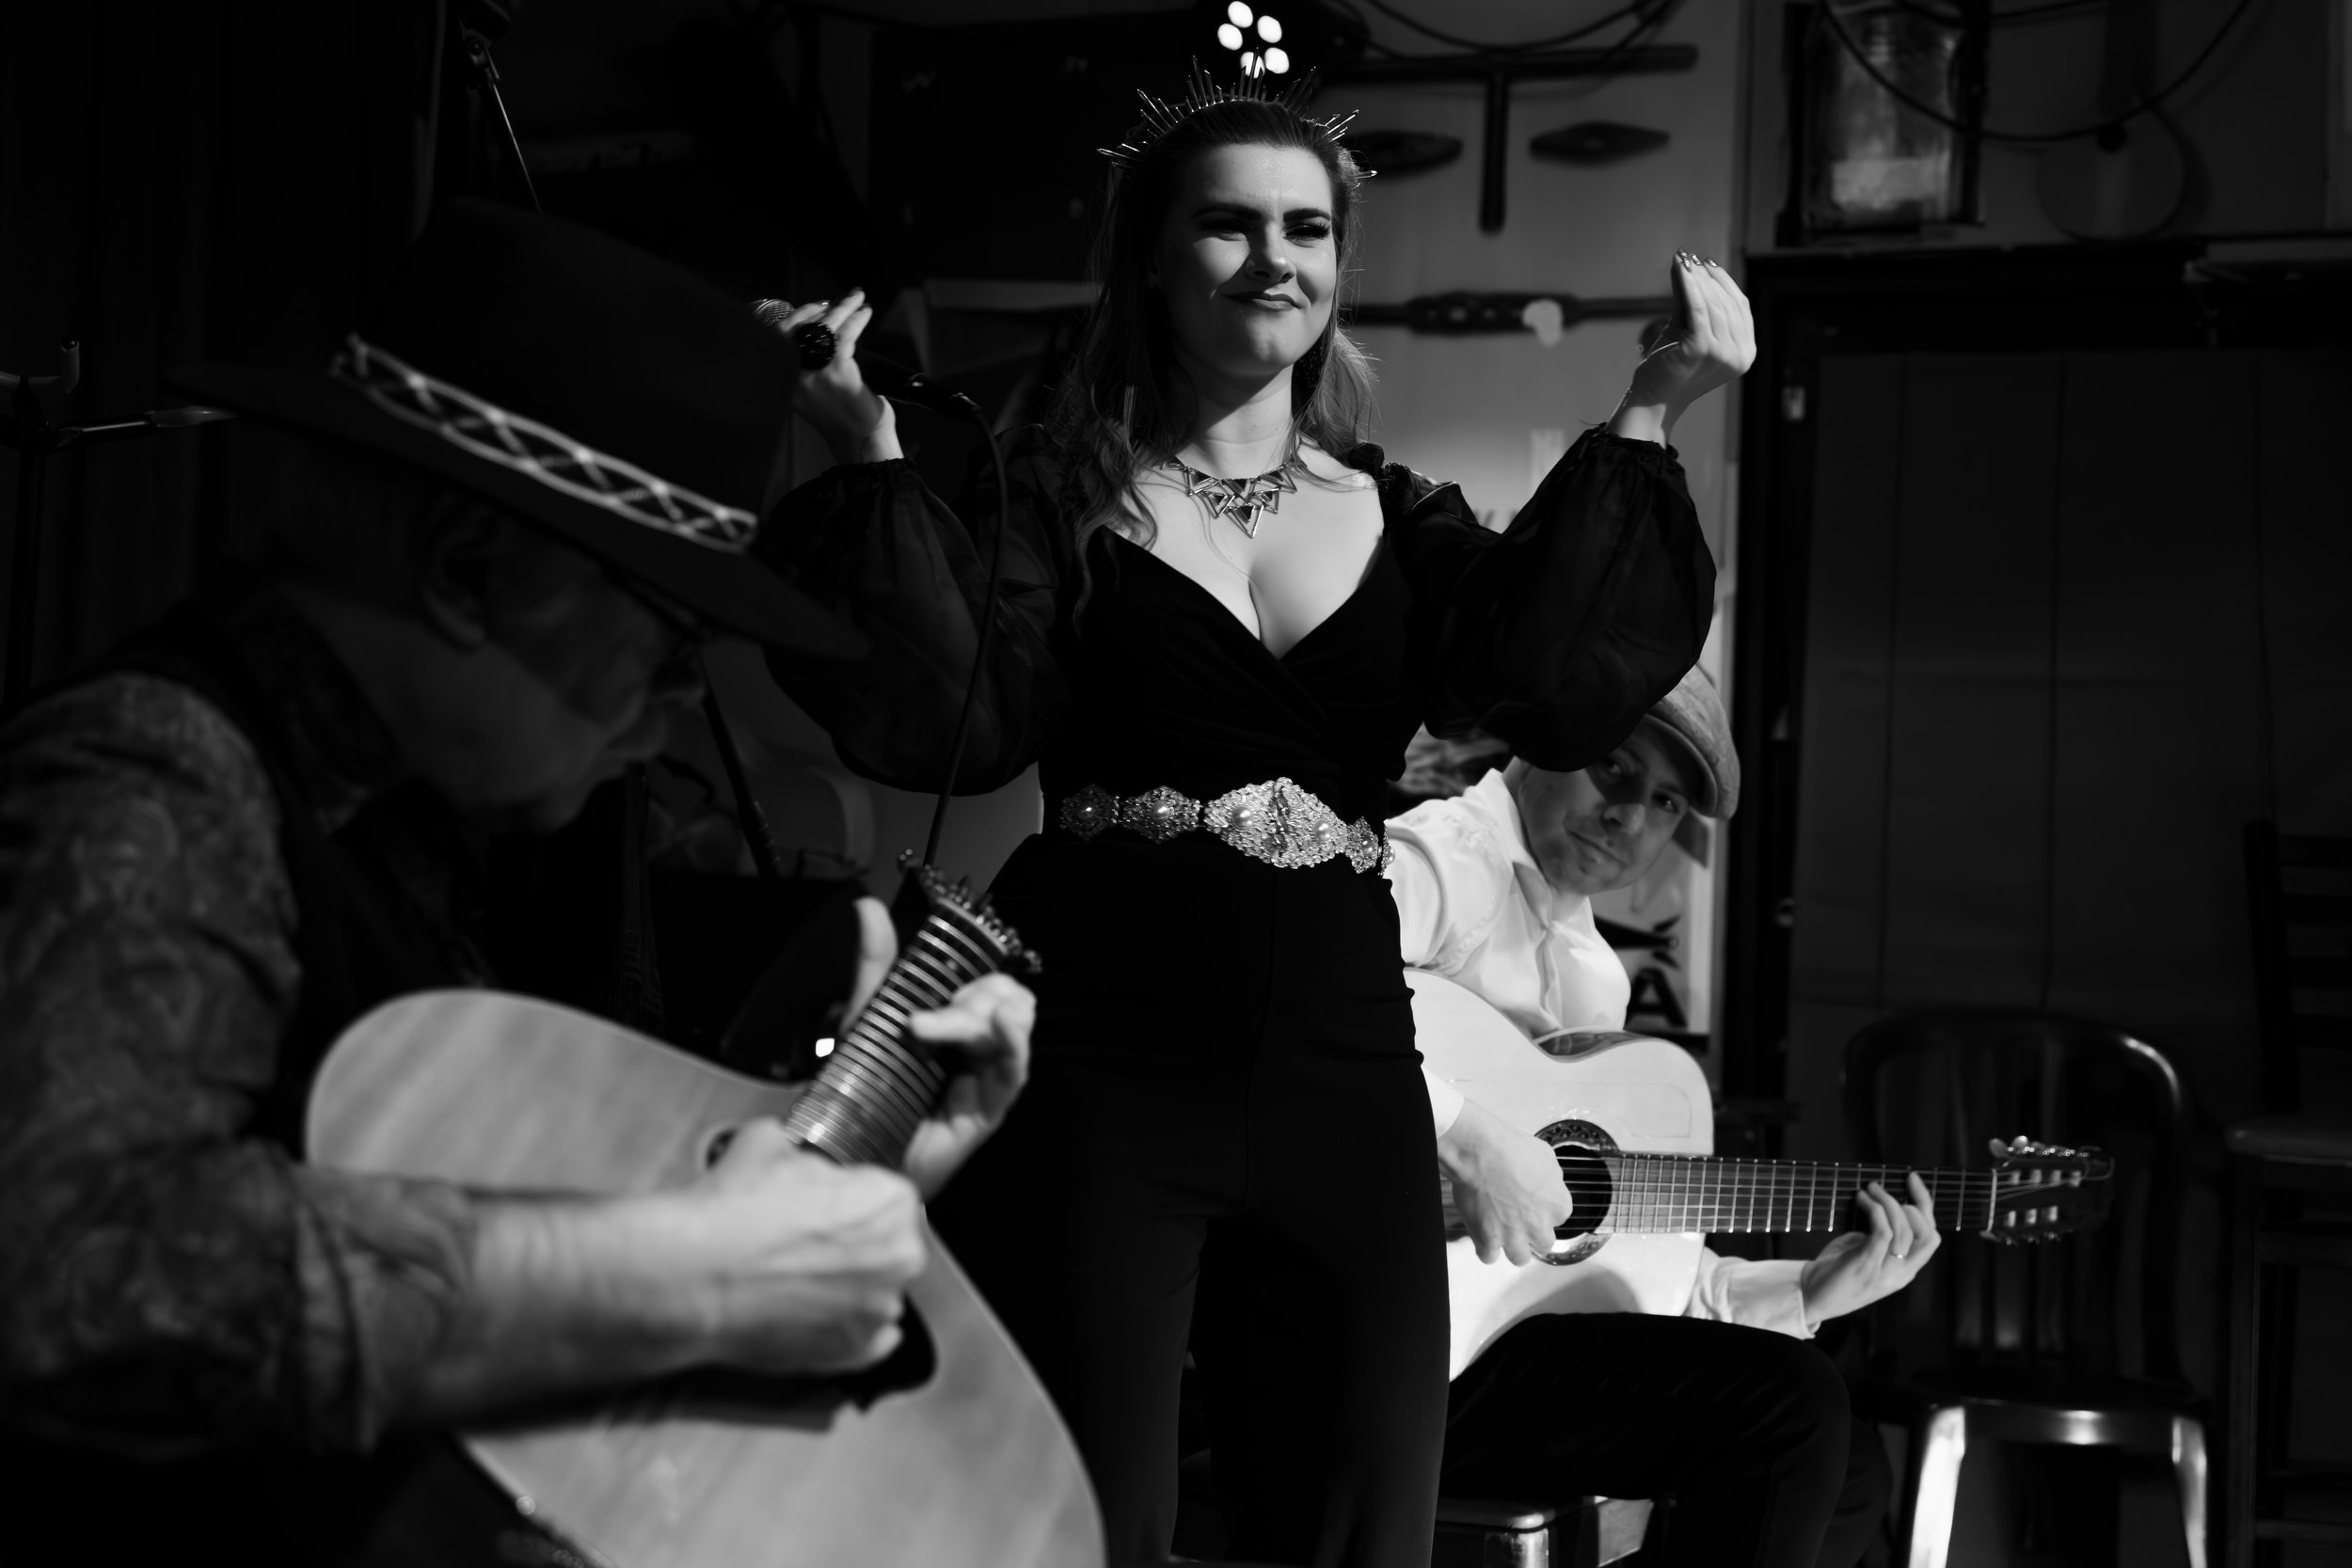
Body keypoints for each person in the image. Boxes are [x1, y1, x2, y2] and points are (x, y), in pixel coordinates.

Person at [752, 70, 1751, 1567]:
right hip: (1102, 1052)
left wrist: (1652, 409)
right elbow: (954, 710)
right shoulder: (1062, 498)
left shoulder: (1406, 517)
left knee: (1360, 1520)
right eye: (1229, 225)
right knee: (1085, 1520)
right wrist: (869, 456)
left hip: (1344, 1065)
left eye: (1306, 229)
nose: (1274, 257)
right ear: (1152, 263)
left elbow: (1550, 678)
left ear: (1339, 267)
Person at [0, 199, 1035, 1566]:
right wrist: (699, 1270)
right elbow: (84, 1273)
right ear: (466, 573)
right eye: (667, 643)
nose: (677, 708)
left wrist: (838, 1172)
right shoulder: (156, 778)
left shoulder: (412, 813)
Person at [1388, 665, 1939, 1566]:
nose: (1630, 817)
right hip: (1379, 1349)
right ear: (1543, 739)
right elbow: (1291, 999)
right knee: (1789, 1412)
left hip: (1482, 1343)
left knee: (1849, 1471)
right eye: (1614, 767)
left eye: (1667, 803)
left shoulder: (1592, 970)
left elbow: (1616, 1257)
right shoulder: (1442, 861)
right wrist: (1473, 1142)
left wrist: (1805, 1293)